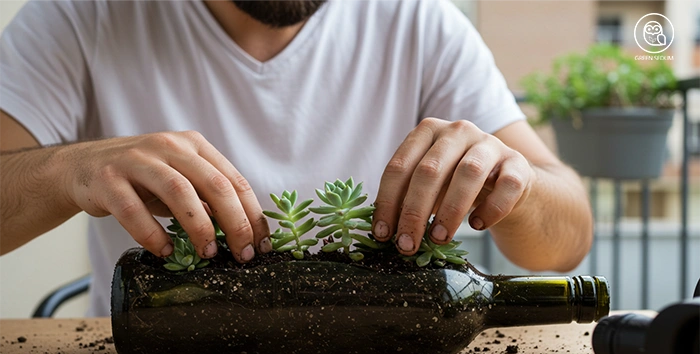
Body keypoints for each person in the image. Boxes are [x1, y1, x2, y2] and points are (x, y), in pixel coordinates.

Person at [0, 0, 593, 316]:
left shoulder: (420, 20)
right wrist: (65, 171)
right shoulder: (81, 14)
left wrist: (517, 185)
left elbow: (566, 243)